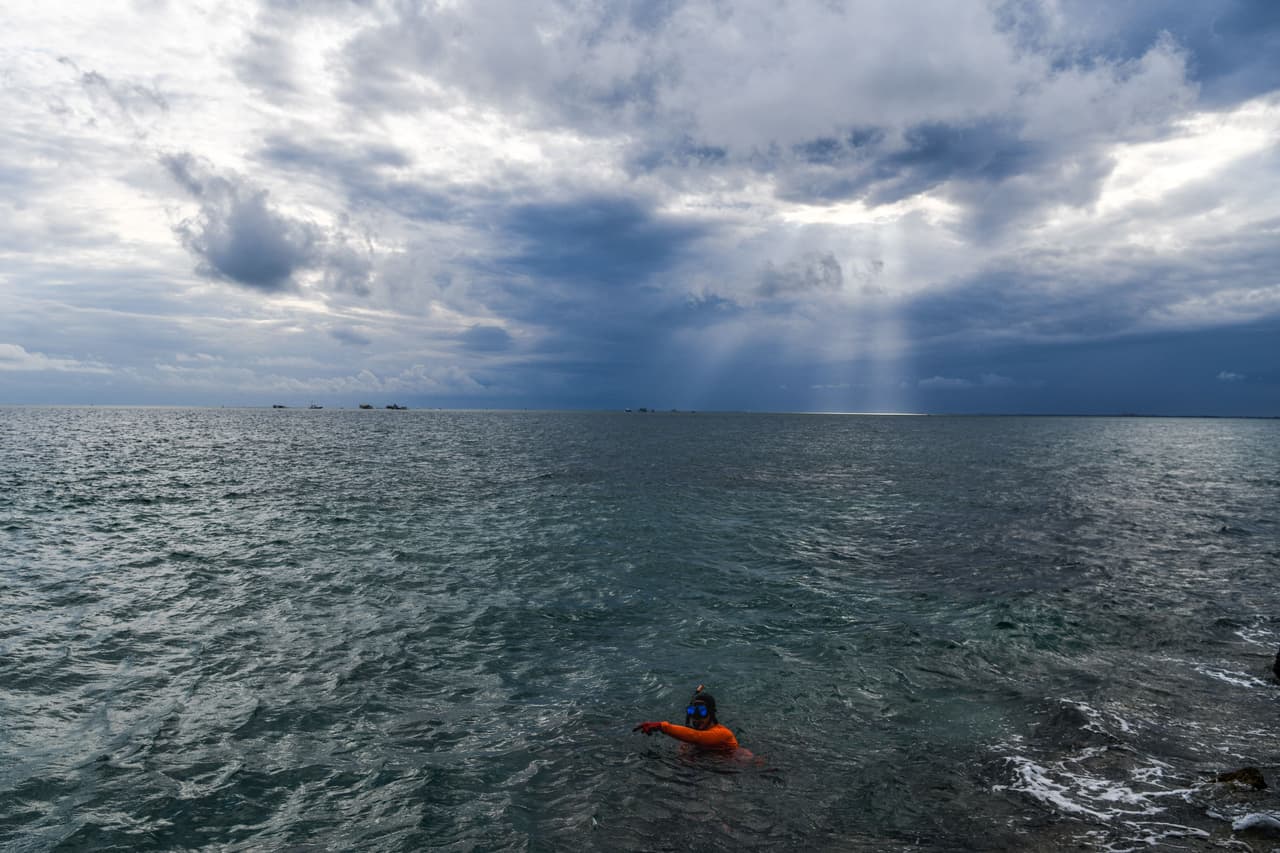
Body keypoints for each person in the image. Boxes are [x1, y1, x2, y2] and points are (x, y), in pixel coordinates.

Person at [633, 685, 739, 751]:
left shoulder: (723, 734)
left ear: (712, 714)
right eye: (692, 712)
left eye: (702, 712)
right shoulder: (688, 736)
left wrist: (662, 726)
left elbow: (698, 737)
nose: (696, 718)